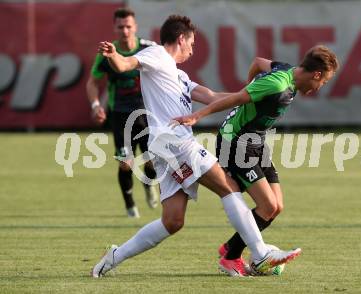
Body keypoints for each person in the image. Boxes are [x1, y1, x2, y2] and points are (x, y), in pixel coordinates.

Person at [91, 14, 301, 278]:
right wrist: (114, 57)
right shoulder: (156, 55)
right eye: (192, 43)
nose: (193, 49)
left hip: (166, 147)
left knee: (173, 221)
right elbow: (125, 64)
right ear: (181, 38)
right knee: (227, 185)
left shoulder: (178, 75)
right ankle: (260, 254)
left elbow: (212, 96)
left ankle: (113, 256)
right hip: (174, 141)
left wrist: (252, 98)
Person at [173, 45, 339, 276]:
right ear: (317, 74)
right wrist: (197, 115)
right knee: (267, 206)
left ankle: (231, 246)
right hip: (236, 142)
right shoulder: (277, 84)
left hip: (256, 142)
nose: (320, 87)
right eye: (323, 82)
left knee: (276, 207)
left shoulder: (285, 71)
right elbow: (235, 99)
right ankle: (230, 259)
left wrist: (251, 85)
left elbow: (259, 61)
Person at [86, 8, 159, 218]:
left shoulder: (149, 49)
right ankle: (130, 205)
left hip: (147, 114)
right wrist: (95, 105)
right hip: (120, 115)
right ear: (114, 28)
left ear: (135, 27)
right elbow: (92, 82)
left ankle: (148, 185)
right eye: (121, 27)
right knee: (126, 164)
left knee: (152, 161)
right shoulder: (107, 53)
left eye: (129, 26)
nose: (125, 31)